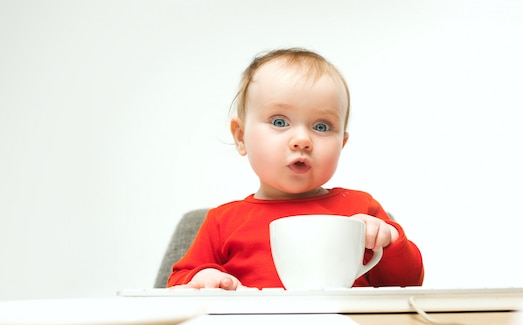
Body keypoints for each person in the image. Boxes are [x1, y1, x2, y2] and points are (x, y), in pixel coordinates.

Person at [167, 48, 424, 290]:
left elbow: (409, 284)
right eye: (279, 122)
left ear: (341, 144)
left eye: (322, 127)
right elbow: (177, 281)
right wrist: (203, 278)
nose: (302, 140)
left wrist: (389, 240)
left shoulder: (362, 208)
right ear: (241, 137)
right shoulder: (222, 222)